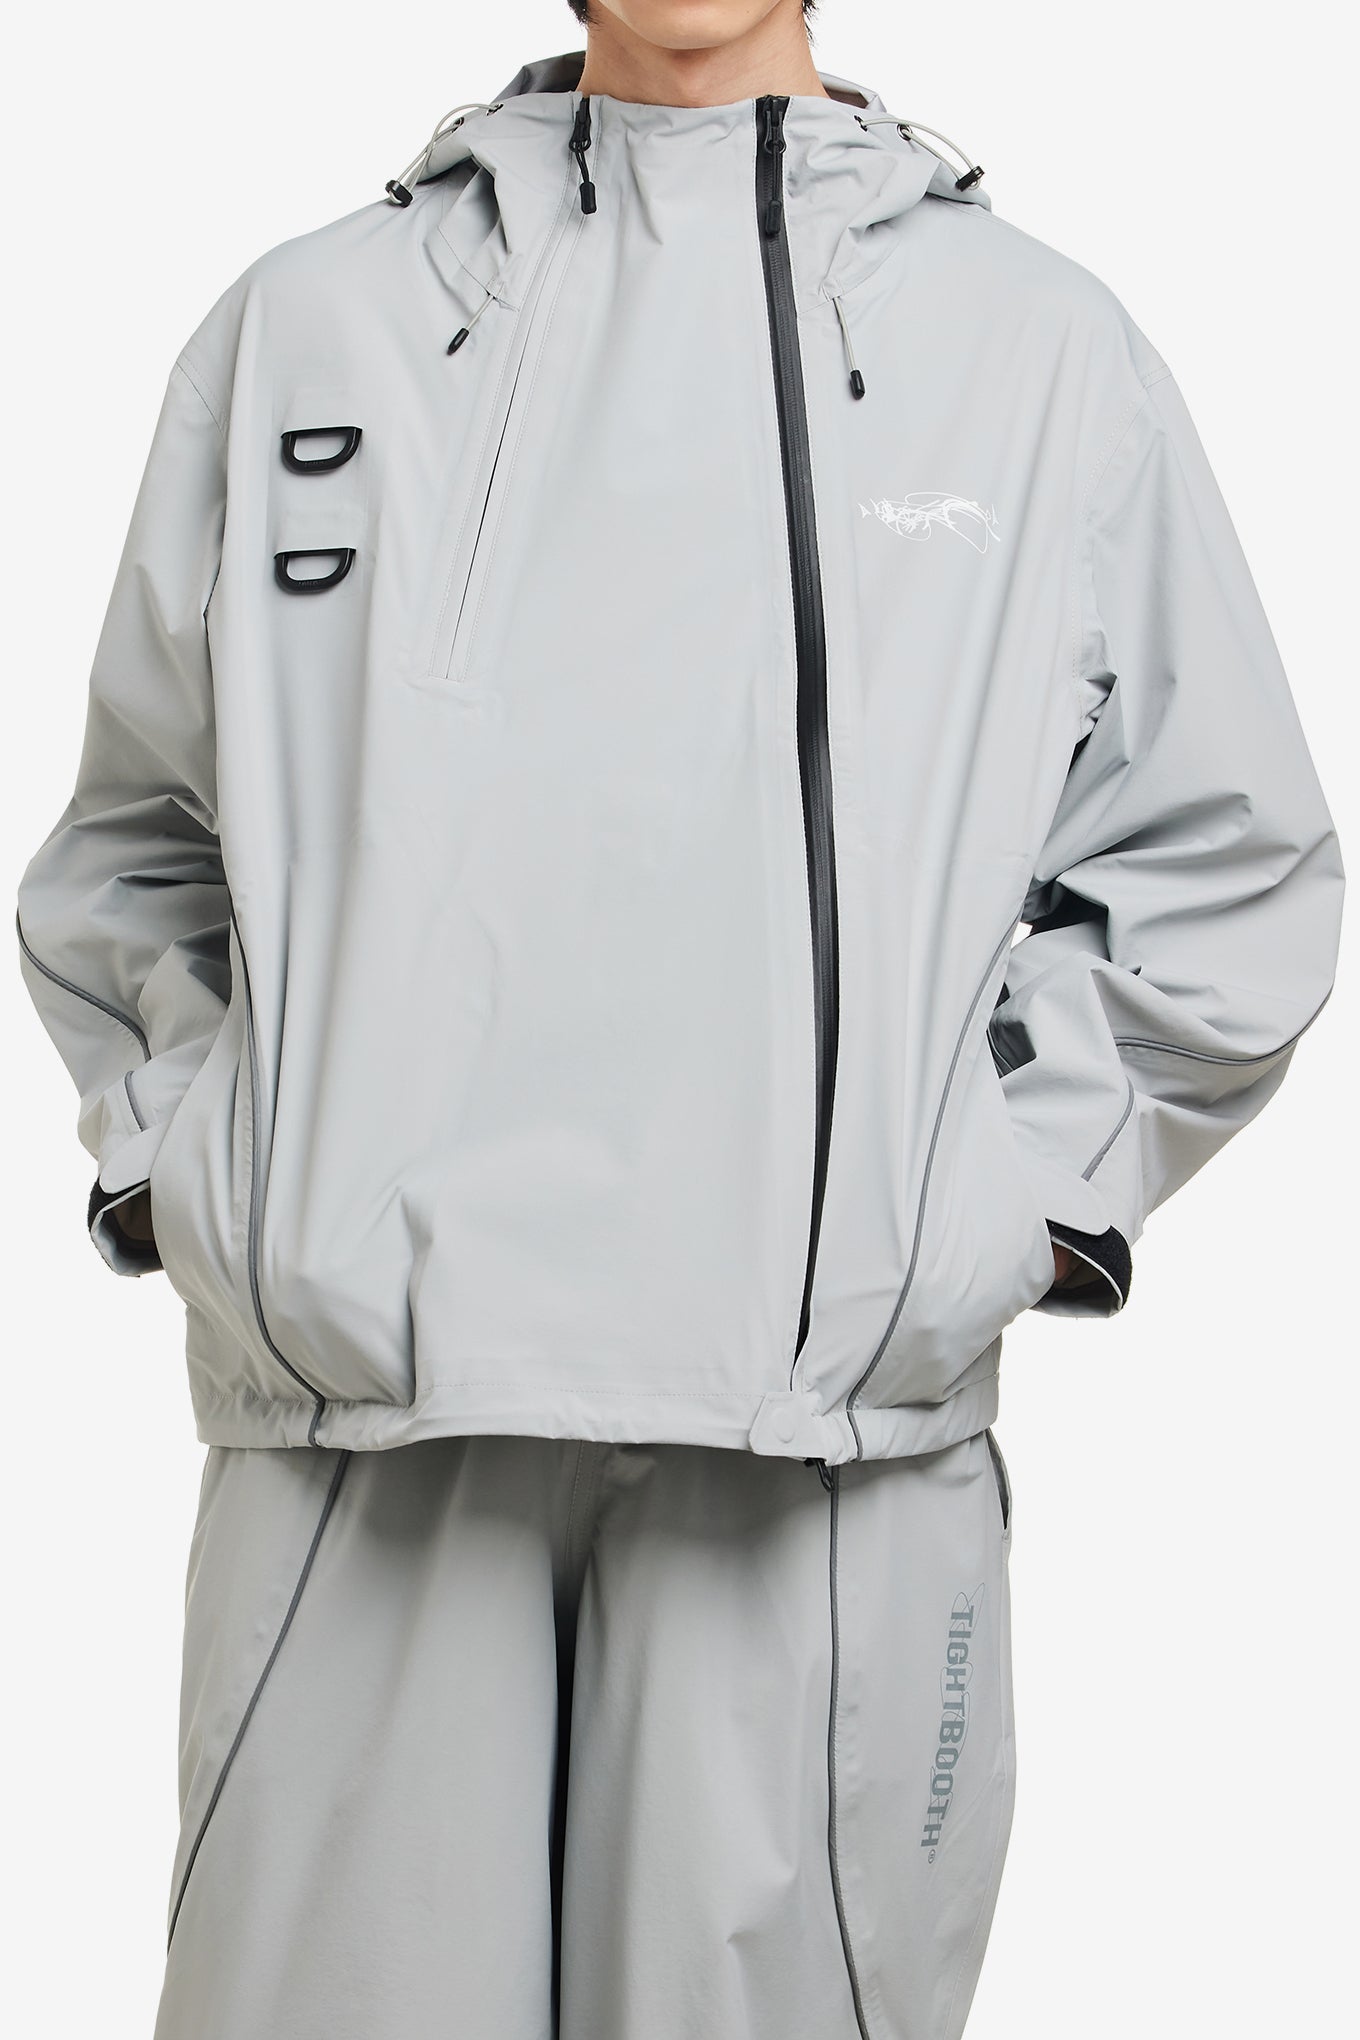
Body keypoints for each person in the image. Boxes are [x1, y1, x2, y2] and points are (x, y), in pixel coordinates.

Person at [15, 2, 1344, 2035]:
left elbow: (1220, 865)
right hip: (361, 1428)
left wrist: (976, 1204)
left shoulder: (1034, 352)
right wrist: (215, 1176)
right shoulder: (307, 329)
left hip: (819, 1452)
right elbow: (132, 847)